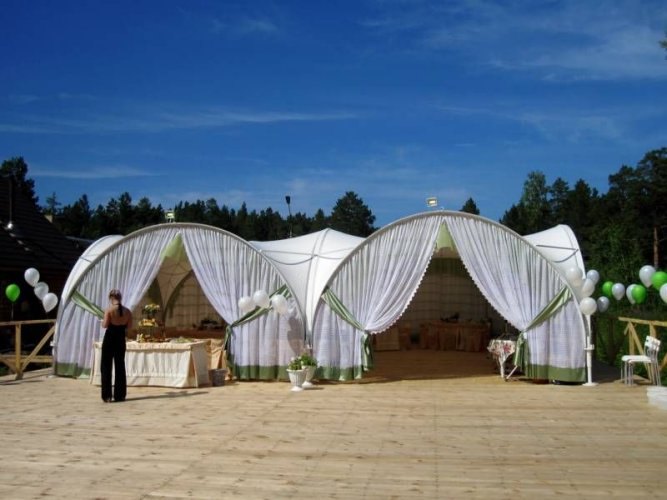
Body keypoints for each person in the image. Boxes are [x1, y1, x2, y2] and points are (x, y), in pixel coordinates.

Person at [101, 289, 132, 403]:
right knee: (120, 366)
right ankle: (120, 395)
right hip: (120, 338)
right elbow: (129, 326)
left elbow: (105, 325)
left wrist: (102, 321)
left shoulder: (109, 310)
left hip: (110, 338)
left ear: (111, 298)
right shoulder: (127, 311)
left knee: (106, 366)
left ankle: (107, 396)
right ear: (120, 298)